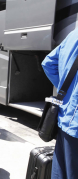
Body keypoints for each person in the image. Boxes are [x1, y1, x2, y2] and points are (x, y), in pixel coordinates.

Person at [42, 28, 78, 179]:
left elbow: (48, 63)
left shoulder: (73, 34)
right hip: (75, 124)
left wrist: (66, 92)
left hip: (65, 117)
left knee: (59, 172)